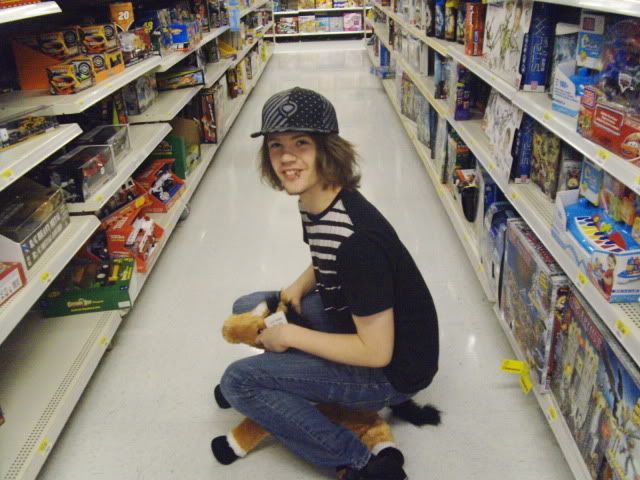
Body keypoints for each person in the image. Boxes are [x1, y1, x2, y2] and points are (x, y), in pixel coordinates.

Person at [218, 87, 439, 480]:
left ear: (327, 149)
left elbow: (377, 352)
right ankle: (286, 376)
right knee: (248, 306)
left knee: (239, 381)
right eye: (276, 145)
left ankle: (357, 462)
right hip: (354, 319)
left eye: (301, 143)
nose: (286, 157)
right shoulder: (318, 200)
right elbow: (324, 254)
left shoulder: (359, 244)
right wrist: (298, 286)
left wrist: (291, 336)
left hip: (392, 373)